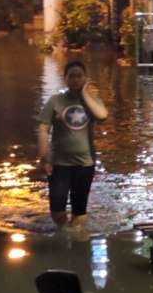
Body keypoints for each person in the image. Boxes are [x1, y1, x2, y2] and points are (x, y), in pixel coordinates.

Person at [37, 60, 108, 229]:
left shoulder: (93, 101)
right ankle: (63, 232)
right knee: (57, 211)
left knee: (79, 211)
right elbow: (43, 128)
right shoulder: (55, 101)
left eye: (79, 76)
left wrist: (85, 94)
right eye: (72, 76)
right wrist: (44, 157)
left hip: (85, 163)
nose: (75, 79)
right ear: (65, 79)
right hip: (59, 163)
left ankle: (76, 242)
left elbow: (103, 116)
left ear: (85, 78)